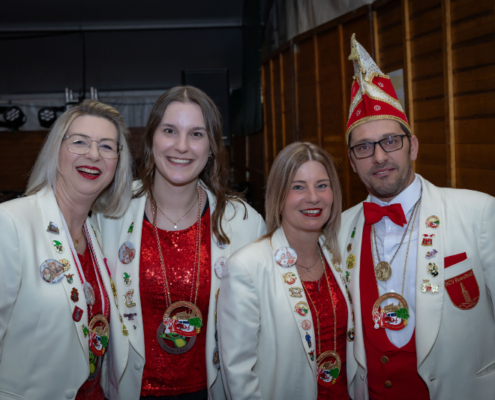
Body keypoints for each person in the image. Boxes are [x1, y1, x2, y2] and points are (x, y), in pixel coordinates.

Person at [340, 34, 495, 400]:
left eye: (391, 141)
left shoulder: (478, 213)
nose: (379, 157)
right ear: (352, 162)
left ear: (413, 146)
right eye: (364, 147)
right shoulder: (338, 230)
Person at [96, 86, 266, 400]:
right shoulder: (109, 214)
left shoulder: (244, 222)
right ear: (151, 138)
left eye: (197, 134)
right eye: (170, 131)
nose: (182, 146)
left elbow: (261, 329)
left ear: (212, 146)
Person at [0, 100, 133, 400]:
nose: (93, 154)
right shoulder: (11, 223)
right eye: (80, 142)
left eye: (106, 146)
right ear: (56, 152)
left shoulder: (96, 234)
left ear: (117, 163)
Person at [218, 142, 353, 400]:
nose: (313, 197)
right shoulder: (247, 266)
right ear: (279, 195)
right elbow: (239, 375)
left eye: (322, 185)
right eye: (298, 187)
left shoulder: (338, 255)